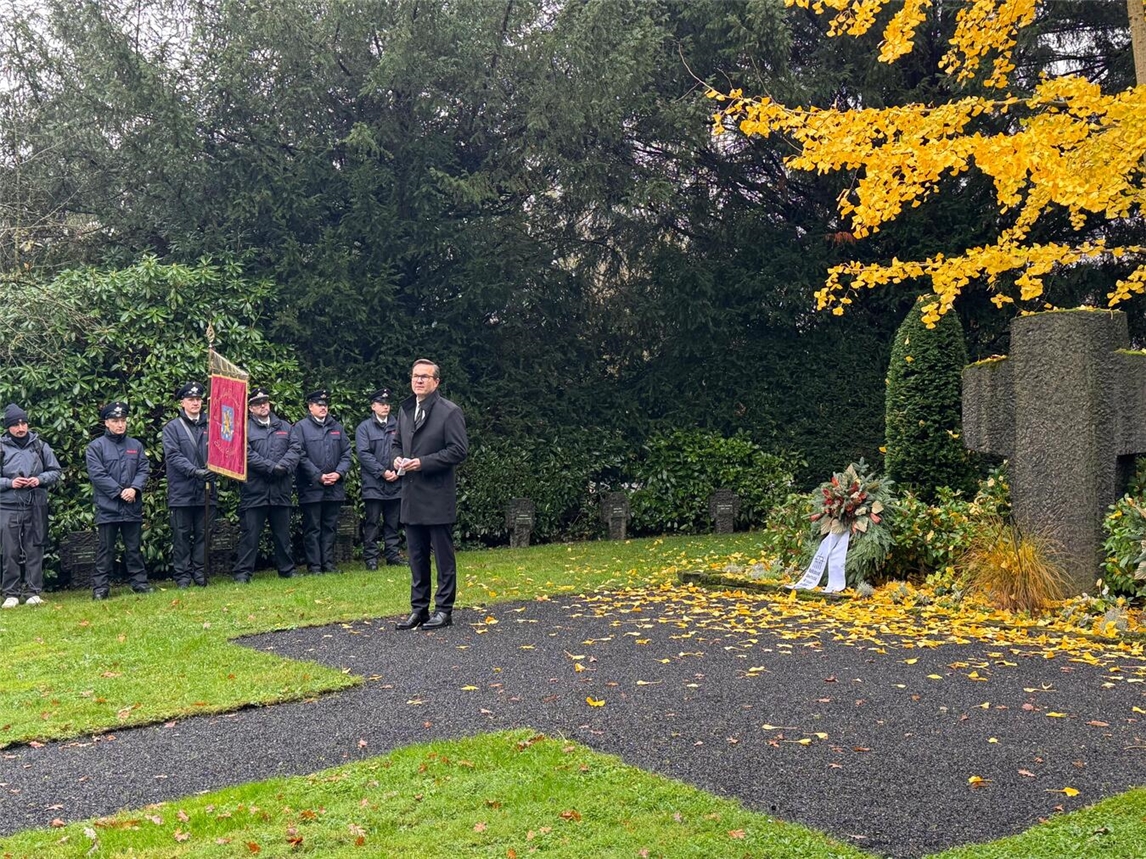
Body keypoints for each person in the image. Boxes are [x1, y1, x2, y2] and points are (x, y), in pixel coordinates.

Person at [392, 359, 468, 630]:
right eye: (415, 376)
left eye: (425, 377)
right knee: (416, 556)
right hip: (411, 495)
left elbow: (458, 450)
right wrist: (397, 459)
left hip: (436, 495)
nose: (419, 381)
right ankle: (419, 608)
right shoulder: (405, 409)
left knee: (443, 556)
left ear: (436, 382)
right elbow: (396, 443)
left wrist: (423, 462)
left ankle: (444, 609)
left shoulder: (449, 412)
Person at [233, 386, 301, 583]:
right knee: (250, 535)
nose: (262, 406)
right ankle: (243, 573)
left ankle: (287, 570)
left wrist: (283, 467)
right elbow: (246, 454)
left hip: (281, 489)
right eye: (257, 403)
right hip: (255, 490)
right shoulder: (243, 428)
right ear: (251, 408)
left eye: (265, 402)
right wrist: (272, 468)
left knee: (283, 535)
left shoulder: (285, 427)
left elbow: (295, 449)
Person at [85, 401, 151, 599]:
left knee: (133, 548)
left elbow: (143, 469)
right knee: (105, 549)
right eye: (115, 421)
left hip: (132, 505)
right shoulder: (96, 447)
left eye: (123, 420)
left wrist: (135, 489)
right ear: (107, 423)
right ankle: (100, 588)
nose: (120, 424)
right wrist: (119, 491)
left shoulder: (135, 445)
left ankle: (139, 583)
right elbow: (97, 474)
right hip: (108, 507)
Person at [0, 404, 62, 608]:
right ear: (8, 427)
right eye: (16, 424)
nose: (21, 427)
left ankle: (33, 592)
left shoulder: (40, 445)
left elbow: (55, 471)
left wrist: (39, 479)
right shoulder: (1, 446)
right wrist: (10, 483)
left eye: (23, 423)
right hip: (8, 506)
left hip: (35, 504)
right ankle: (11, 593)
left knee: (35, 548)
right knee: (10, 551)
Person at [290, 389, 351, 574]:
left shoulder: (337, 427)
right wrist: (318, 475)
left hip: (334, 487)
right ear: (310, 407)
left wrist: (339, 473)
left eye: (325, 405)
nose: (323, 408)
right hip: (311, 487)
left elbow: (347, 453)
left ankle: (329, 565)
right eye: (319, 405)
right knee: (313, 528)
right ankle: (315, 567)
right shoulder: (300, 427)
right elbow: (299, 455)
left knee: (330, 527)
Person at [161, 381, 214, 588]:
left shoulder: (212, 425)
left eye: (198, 399)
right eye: (191, 399)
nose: (195, 403)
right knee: (181, 536)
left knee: (204, 534)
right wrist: (195, 472)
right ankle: (182, 576)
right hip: (182, 491)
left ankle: (200, 573)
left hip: (207, 490)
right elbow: (173, 456)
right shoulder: (172, 428)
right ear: (182, 402)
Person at [355, 387, 403, 570]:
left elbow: (404, 450)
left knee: (393, 523)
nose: (385, 407)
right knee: (372, 523)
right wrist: (383, 472)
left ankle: (393, 555)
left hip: (395, 482)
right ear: (372, 406)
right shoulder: (364, 428)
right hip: (374, 484)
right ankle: (371, 559)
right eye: (381, 404)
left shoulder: (398, 426)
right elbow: (364, 454)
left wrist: (397, 472)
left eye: (388, 404)